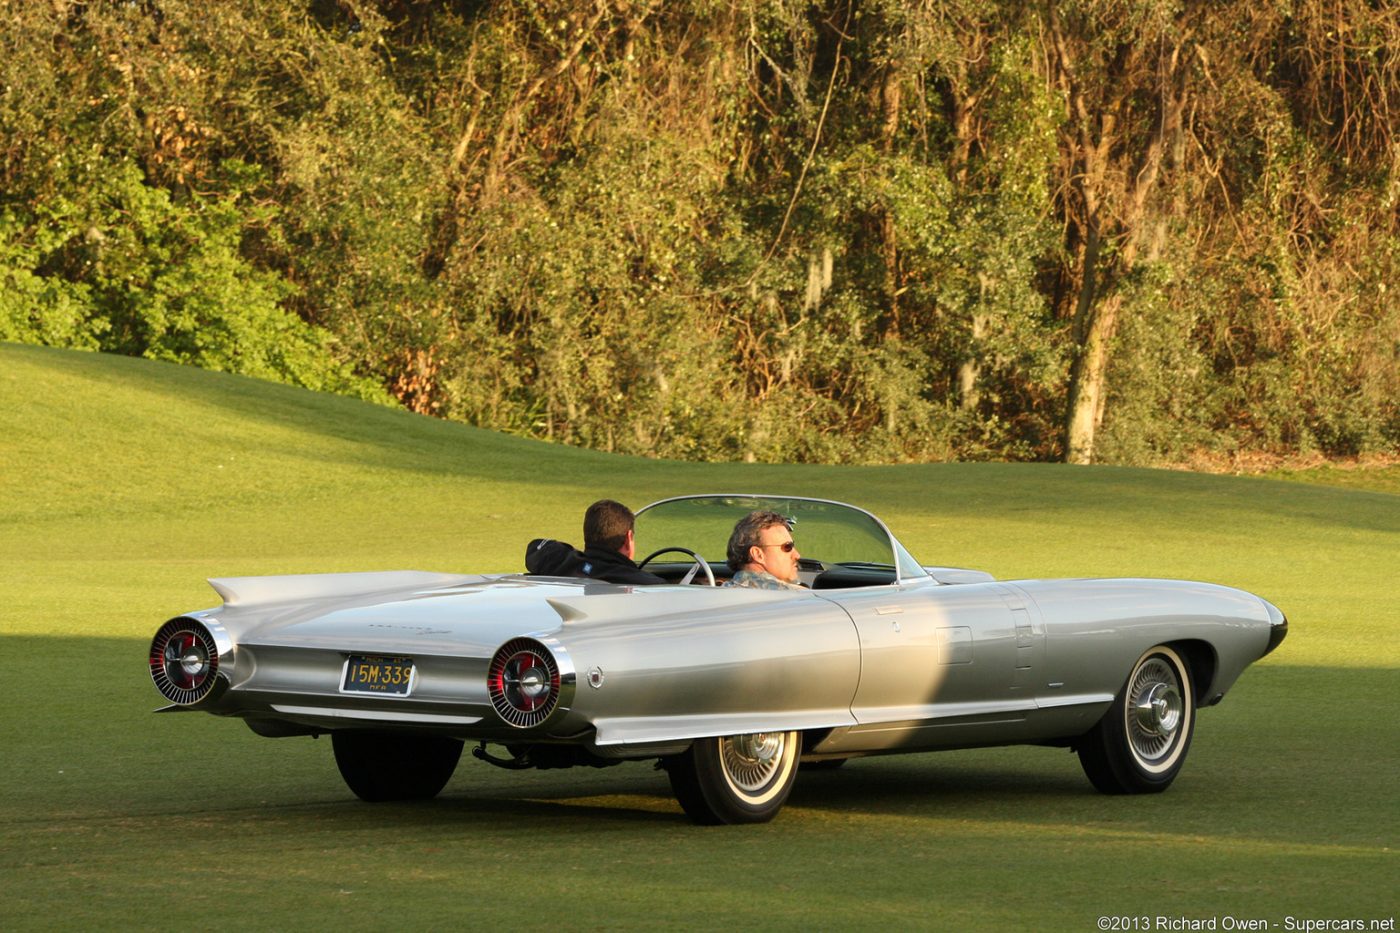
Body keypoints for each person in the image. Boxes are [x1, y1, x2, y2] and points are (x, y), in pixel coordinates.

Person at [524, 499, 665, 585]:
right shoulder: (651, 585)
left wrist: (577, 558)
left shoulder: (564, 563)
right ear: (628, 539)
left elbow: (536, 547)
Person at [723, 509, 805, 590]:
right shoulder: (796, 594)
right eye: (787, 547)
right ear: (758, 554)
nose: (797, 555)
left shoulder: (724, 589)